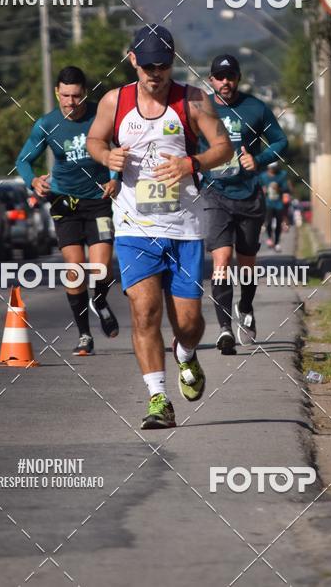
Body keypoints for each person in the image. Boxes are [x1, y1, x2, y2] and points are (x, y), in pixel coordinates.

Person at [87, 25, 233, 429]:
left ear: (172, 63)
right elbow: (94, 140)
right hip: (135, 227)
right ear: (132, 59)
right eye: (148, 65)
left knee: (189, 323)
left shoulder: (193, 100)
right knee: (144, 311)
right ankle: (158, 399)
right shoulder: (115, 101)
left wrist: (193, 163)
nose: (155, 73)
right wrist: (107, 156)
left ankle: (186, 354)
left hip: (184, 226)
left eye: (163, 65)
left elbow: (224, 146)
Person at [16, 66, 119, 356]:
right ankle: (85, 335)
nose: (70, 102)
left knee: (101, 269)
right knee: (74, 272)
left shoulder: (101, 114)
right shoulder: (47, 124)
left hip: (98, 200)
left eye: (76, 96)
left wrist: (115, 179)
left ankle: (99, 300)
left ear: (85, 93)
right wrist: (33, 180)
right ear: (56, 93)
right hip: (65, 204)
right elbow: (23, 161)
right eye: (65, 96)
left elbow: (122, 149)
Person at [199, 54, 288, 353]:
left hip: (249, 195)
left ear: (238, 78)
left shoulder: (255, 108)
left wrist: (259, 159)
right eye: (220, 77)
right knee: (221, 260)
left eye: (231, 76)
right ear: (211, 80)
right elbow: (185, 143)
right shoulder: (200, 107)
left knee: (246, 262)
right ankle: (224, 329)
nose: (226, 82)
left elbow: (280, 141)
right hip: (215, 194)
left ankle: (246, 306)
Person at [261, 161, 291, 253]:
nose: (272, 170)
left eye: (274, 168)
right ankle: (270, 238)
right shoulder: (263, 176)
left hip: (279, 203)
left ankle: (277, 242)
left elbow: (286, 188)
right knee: (268, 222)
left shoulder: (282, 175)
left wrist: (280, 189)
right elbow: (259, 187)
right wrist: (263, 190)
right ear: (268, 168)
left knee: (278, 223)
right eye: (271, 168)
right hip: (268, 203)